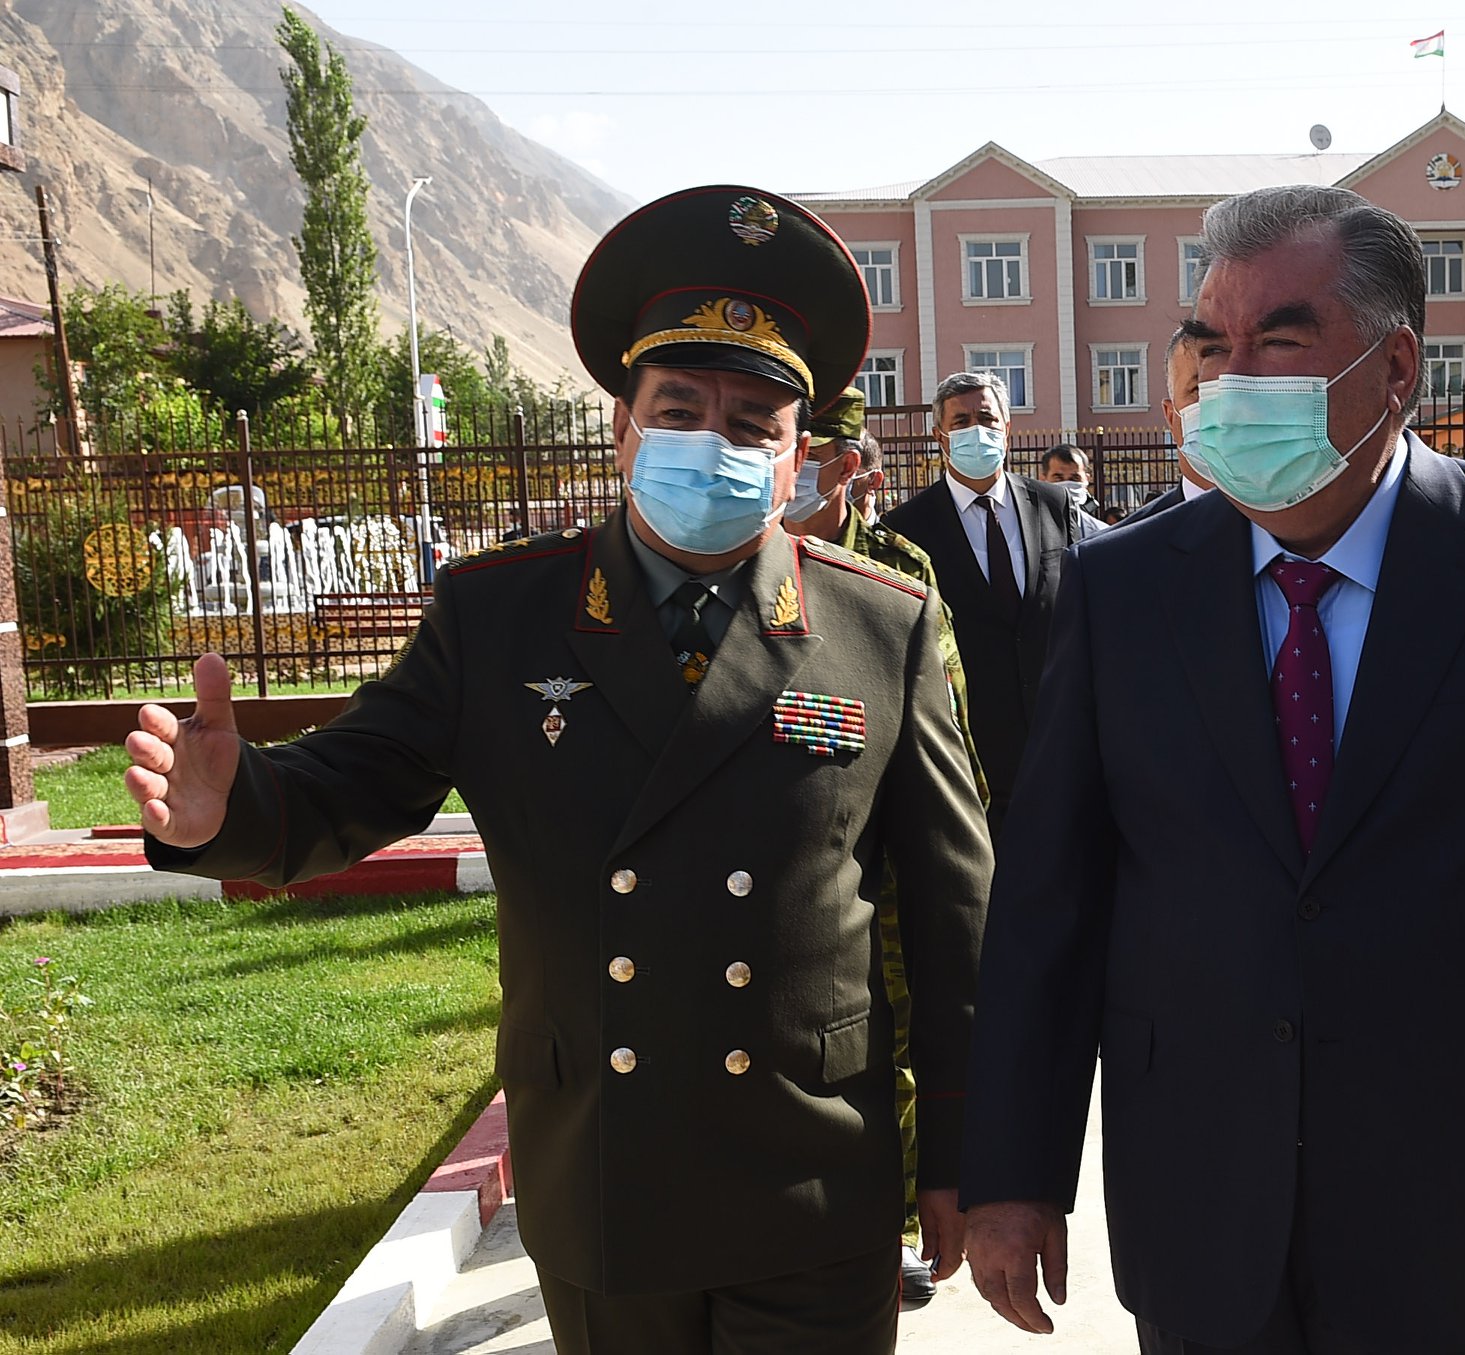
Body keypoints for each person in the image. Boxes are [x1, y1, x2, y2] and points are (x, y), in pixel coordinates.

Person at [126, 185, 994, 1355]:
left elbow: (953, 917)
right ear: (622, 427)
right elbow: (357, 779)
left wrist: (963, 1153)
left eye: (753, 422)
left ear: (799, 451)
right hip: (605, 1169)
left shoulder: (880, 622)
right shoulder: (500, 614)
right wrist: (229, 807)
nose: (714, 442)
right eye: (679, 409)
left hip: (813, 1174)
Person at [960, 185, 1465, 1355]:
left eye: (1278, 340)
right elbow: (1050, 899)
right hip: (1202, 1200)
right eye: (1211, 345)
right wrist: (1012, 1171)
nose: (1229, 379)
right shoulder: (1120, 586)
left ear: (1394, 368)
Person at [784, 386, 991, 1310]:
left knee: (895, 1046)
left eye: (814, 457)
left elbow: (944, 719)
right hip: (801, 856)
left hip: (893, 863)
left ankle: (891, 1225)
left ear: (848, 465)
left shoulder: (898, 568)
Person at [882, 372, 1101, 838]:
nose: (975, 430)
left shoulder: (1053, 505)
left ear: (1007, 427)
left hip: (1061, 746)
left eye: (986, 418)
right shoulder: (907, 527)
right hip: (969, 762)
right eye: (961, 422)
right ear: (940, 436)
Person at [1122, 324, 1218, 528]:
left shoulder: (1290, 534)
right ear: (1171, 416)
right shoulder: (1127, 545)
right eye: (1201, 389)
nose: (1226, 406)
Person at [1041, 443, 1098, 513]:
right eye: (1058, 478)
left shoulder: (1094, 520)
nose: (1067, 485)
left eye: (1075, 478)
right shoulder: (1031, 517)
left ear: (1087, 479)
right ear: (1043, 479)